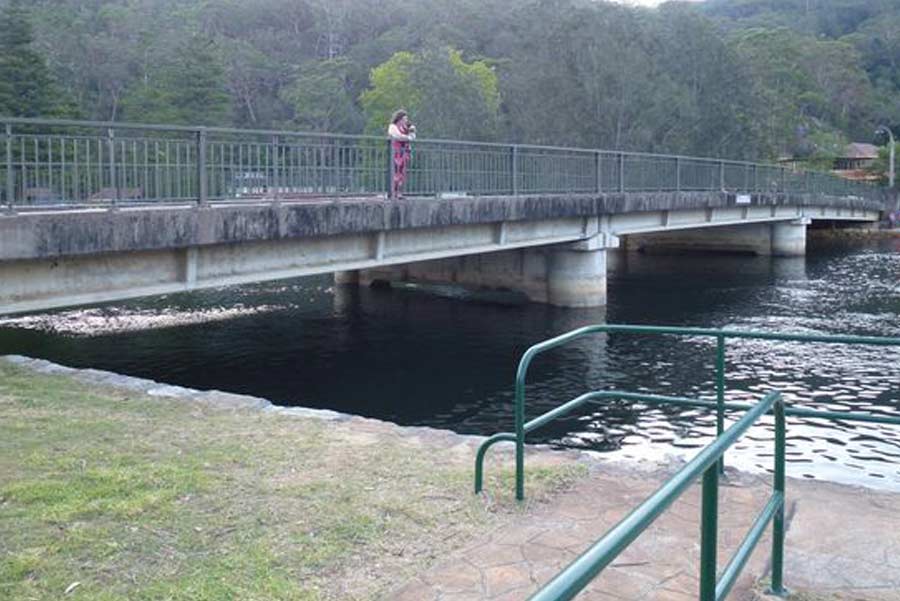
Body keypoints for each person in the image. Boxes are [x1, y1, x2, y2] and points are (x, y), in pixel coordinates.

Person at [388, 109, 416, 199]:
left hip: (404, 153)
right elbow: (397, 136)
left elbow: (412, 138)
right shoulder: (393, 126)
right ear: (399, 119)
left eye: (406, 119)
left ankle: (399, 192)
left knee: (402, 174)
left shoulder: (406, 128)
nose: (406, 121)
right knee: (395, 172)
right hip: (396, 152)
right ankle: (393, 192)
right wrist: (408, 137)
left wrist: (412, 131)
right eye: (404, 119)